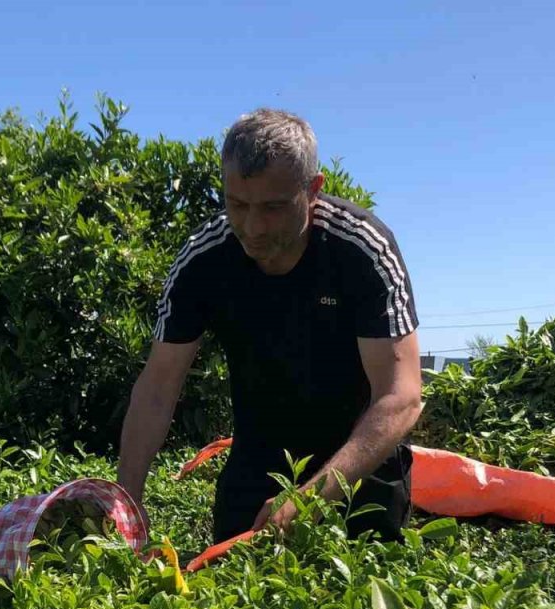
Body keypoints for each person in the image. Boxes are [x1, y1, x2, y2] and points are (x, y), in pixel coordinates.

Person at [116, 108, 423, 545]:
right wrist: (129, 502)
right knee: (229, 588)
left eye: (273, 207)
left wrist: (311, 496)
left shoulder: (361, 251)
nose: (253, 227)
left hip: (362, 459)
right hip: (260, 453)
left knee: (358, 595)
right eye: (237, 204)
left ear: (313, 190)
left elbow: (401, 396)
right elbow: (157, 388)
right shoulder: (204, 260)